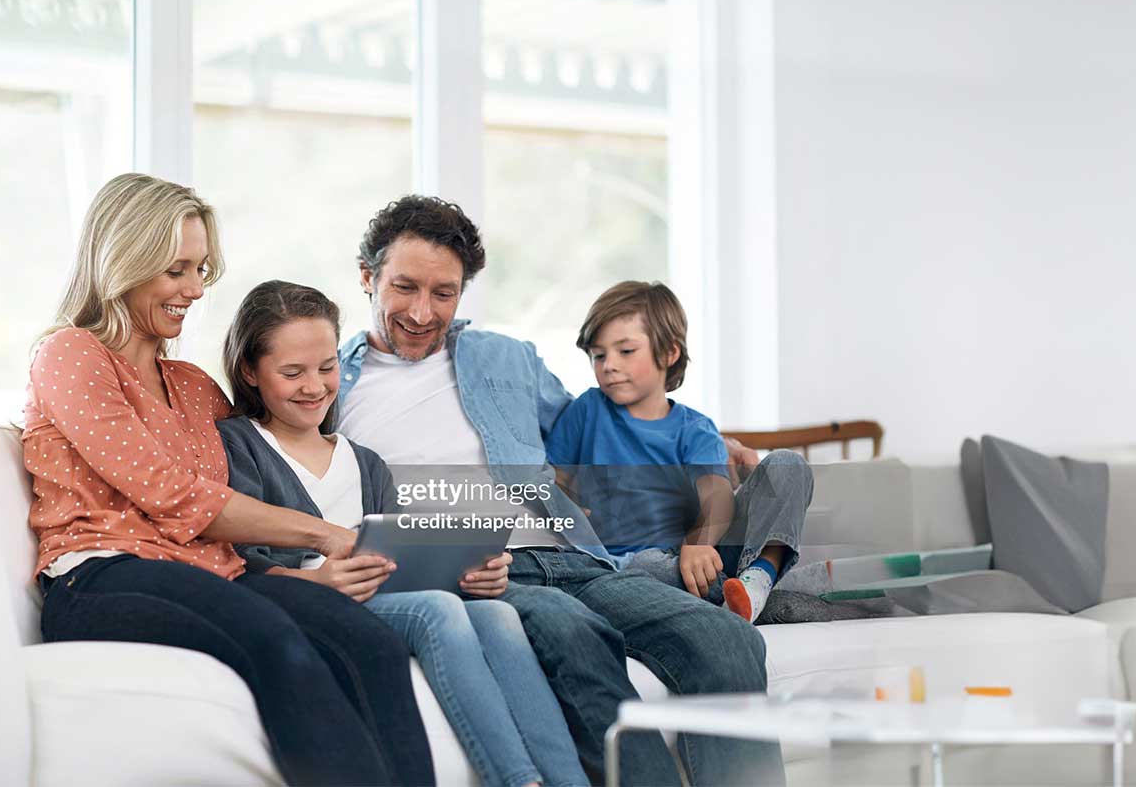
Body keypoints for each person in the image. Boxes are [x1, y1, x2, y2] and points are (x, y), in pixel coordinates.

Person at [333, 195, 788, 786]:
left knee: (725, 639)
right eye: (405, 288)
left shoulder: (506, 359)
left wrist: (697, 438)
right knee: (578, 637)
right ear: (367, 277)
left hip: (575, 555)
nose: (423, 312)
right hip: (481, 574)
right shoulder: (328, 383)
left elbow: (597, 425)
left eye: (444, 293)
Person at [24, 173, 432, 786]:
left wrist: (312, 576)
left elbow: (238, 517)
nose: (193, 289)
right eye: (176, 270)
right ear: (124, 263)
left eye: (202, 270)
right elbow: (174, 494)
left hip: (214, 577)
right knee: (273, 637)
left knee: (366, 640)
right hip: (101, 575)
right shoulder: (71, 354)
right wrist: (322, 535)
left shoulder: (196, 387)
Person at [217, 279, 588, 787]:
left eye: (327, 368)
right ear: (250, 372)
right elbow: (239, 560)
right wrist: (317, 583)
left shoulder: (366, 464)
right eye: (291, 373)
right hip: (316, 601)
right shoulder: (239, 445)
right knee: (437, 612)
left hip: (390, 593)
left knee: (499, 615)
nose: (314, 386)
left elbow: (406, 553)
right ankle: (521, 780)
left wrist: (474, 574)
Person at [546, 281, 812, 623]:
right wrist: (563, 504)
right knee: (643, 568)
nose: (608, 365)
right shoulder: (586, 410)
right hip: (639, 566)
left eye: (625, 351)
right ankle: (739, 601)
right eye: (599, 355)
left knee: (788, 465)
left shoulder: (695, 429)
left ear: (669, 354)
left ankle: (758, 579)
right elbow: (555, 476)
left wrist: (699, 543)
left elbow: (717, 495)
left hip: (701, 555)